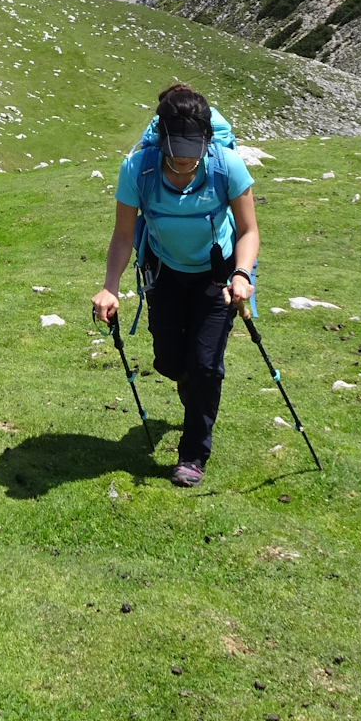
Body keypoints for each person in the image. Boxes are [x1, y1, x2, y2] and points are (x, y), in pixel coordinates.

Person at [91, 83, 259, 488]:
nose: (183, 164)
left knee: (205, 366)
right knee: (169, 361)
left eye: (192, 155)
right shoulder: (138, 168)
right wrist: (110, 286)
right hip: (163, 272)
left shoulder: (227, 165)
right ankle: (191, 385)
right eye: (175, 155)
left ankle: (193, 453)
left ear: (205, 143)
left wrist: (241, 274)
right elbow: (123, 235)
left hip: (217, 276)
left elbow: (249, 231)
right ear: (161, 141)